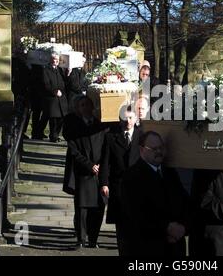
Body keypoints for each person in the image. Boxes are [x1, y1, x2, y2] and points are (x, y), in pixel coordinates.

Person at [120, 131, 190, 256]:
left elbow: (184, 202)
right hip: (148, 248)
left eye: (161, 148)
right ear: (142, 150)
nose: (159, 152)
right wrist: (167, 229)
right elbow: (136, 215)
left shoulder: (170, 173)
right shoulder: (131, 177)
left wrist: (182, 227)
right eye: (154, 148)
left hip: (175, 248)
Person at [99, 106, 142, 255]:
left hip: (139, 187)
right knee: (122, 227)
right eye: (125, 118)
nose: (128, 122)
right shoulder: (111, 136)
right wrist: (104, 183)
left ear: (136, 119)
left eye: (131, 118)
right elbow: (105, 162)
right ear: (119, 120)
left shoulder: (142, 136)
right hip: (119, 187)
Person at [68, 96, 108, 248]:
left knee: (98, 208)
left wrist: (100, 166)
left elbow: (106, 148)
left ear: (93, 108)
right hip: (83, 173)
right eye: (81, 105)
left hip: (99, 173)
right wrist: (89, 165)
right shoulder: (74, 127)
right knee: (82, 208)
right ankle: (81, 239)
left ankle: (93, 239)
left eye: (87, 105)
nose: (85, 108)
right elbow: (73, 151)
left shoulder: (101, 127)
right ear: (78, 109)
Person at [43, 53, 68, 142]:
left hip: (61, 98)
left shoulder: (60, 70)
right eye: (54, 59)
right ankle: (53, 136)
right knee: (53, 119)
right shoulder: (46, 70)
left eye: (57, 59)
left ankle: (56, 134)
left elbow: (65, 82)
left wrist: (68, 73)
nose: (56, 61)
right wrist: (54, 91)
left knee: (61, 118)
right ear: (51, 60)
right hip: (52, 98)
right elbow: (46, 83)